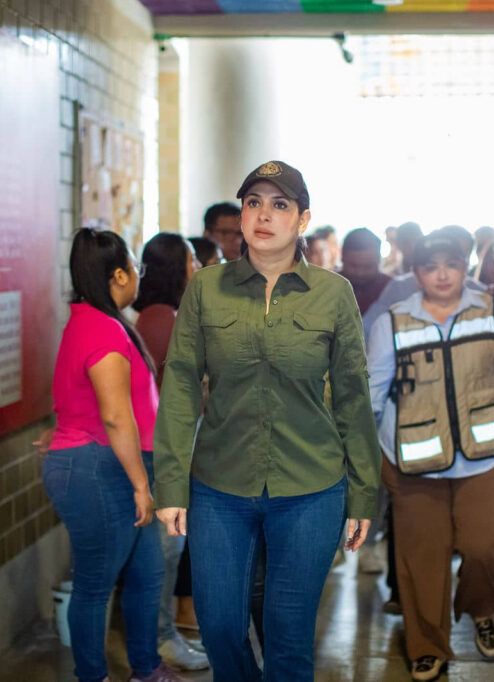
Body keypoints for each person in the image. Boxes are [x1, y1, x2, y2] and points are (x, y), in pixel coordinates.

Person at [153, 160, 381, 681]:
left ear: (302, 219)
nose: (263, 215)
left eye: (280, 205)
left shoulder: (333, 294)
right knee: (219, 626)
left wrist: (364, 493)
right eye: (254, 202)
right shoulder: (207, 290)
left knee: (288, 633)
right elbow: (182, 385)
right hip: (219, 486)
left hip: (311, 487)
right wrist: (170, 482)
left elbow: (352, 397)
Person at [367, 231, 494, 675]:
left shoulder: (492, 311)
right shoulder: (393, 321)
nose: (442, 275)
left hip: (485, 455)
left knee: (483, 546)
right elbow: (371, 391)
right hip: (410, 459)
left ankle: (482, 605)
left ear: (465, 267)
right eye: (431, 266)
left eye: (451, 265)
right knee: (421, 557)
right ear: (417, 272)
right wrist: (359, 450)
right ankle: (428, 644)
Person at [43, 228, 183, 682]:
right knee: (95, 584)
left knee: (146, 575)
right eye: (135, 268)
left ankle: (146, 668)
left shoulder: (99, 320)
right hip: (101, 469)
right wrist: (142, 486)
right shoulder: (101, 328)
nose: (139, 276)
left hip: (117, 462)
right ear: (119, 274)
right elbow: (117, 417)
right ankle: (93, 675)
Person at [131, 234, 208, 672]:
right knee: (163, 554)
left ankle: (163, 635)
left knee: (169, 552)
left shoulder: (166, 316)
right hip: (164, 455)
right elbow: (164, 400)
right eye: (192, 259)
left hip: (173, 452)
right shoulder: (161, 320)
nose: (197, 265)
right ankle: (159, 638)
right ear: (174, 268)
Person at [363, 225, 474, 340]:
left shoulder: (481, 294)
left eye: (454, 263)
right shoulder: (399, 288)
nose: (444, 274)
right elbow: (367, 328)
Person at [340, 228, 392, 316]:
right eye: (354, 266)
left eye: (368, 267)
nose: (360, 273)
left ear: (379, 261)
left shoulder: (391, 288)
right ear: (342, 258)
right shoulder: (327, 287)